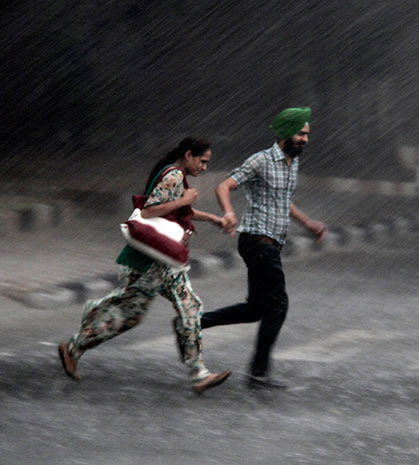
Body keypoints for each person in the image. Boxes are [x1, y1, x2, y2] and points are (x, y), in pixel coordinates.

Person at [58, 137, 232, 394]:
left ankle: (76, 346)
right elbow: (150, 211)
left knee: (141, 313)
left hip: (157, 261)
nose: (205, 167)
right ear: (188, 155)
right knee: (178, 308)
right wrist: (185, 200)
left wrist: (213, 219)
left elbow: (175, 213)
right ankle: (198, 373)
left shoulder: (174, 175)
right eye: (203, 161)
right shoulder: (174, 175)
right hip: (155, 261)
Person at [199, 107, 327, 389]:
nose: (305, 139)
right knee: (278, 305)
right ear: (284, 133)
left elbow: (284, 200)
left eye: (307, 134)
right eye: (300, 133)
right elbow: (224, 186)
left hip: (270, 244)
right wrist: (229, 213)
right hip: (257, 240)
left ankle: (194, 324)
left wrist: (308, 223)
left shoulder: (292, 162)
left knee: (257, 308)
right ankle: (258, 374)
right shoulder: (261, 160)